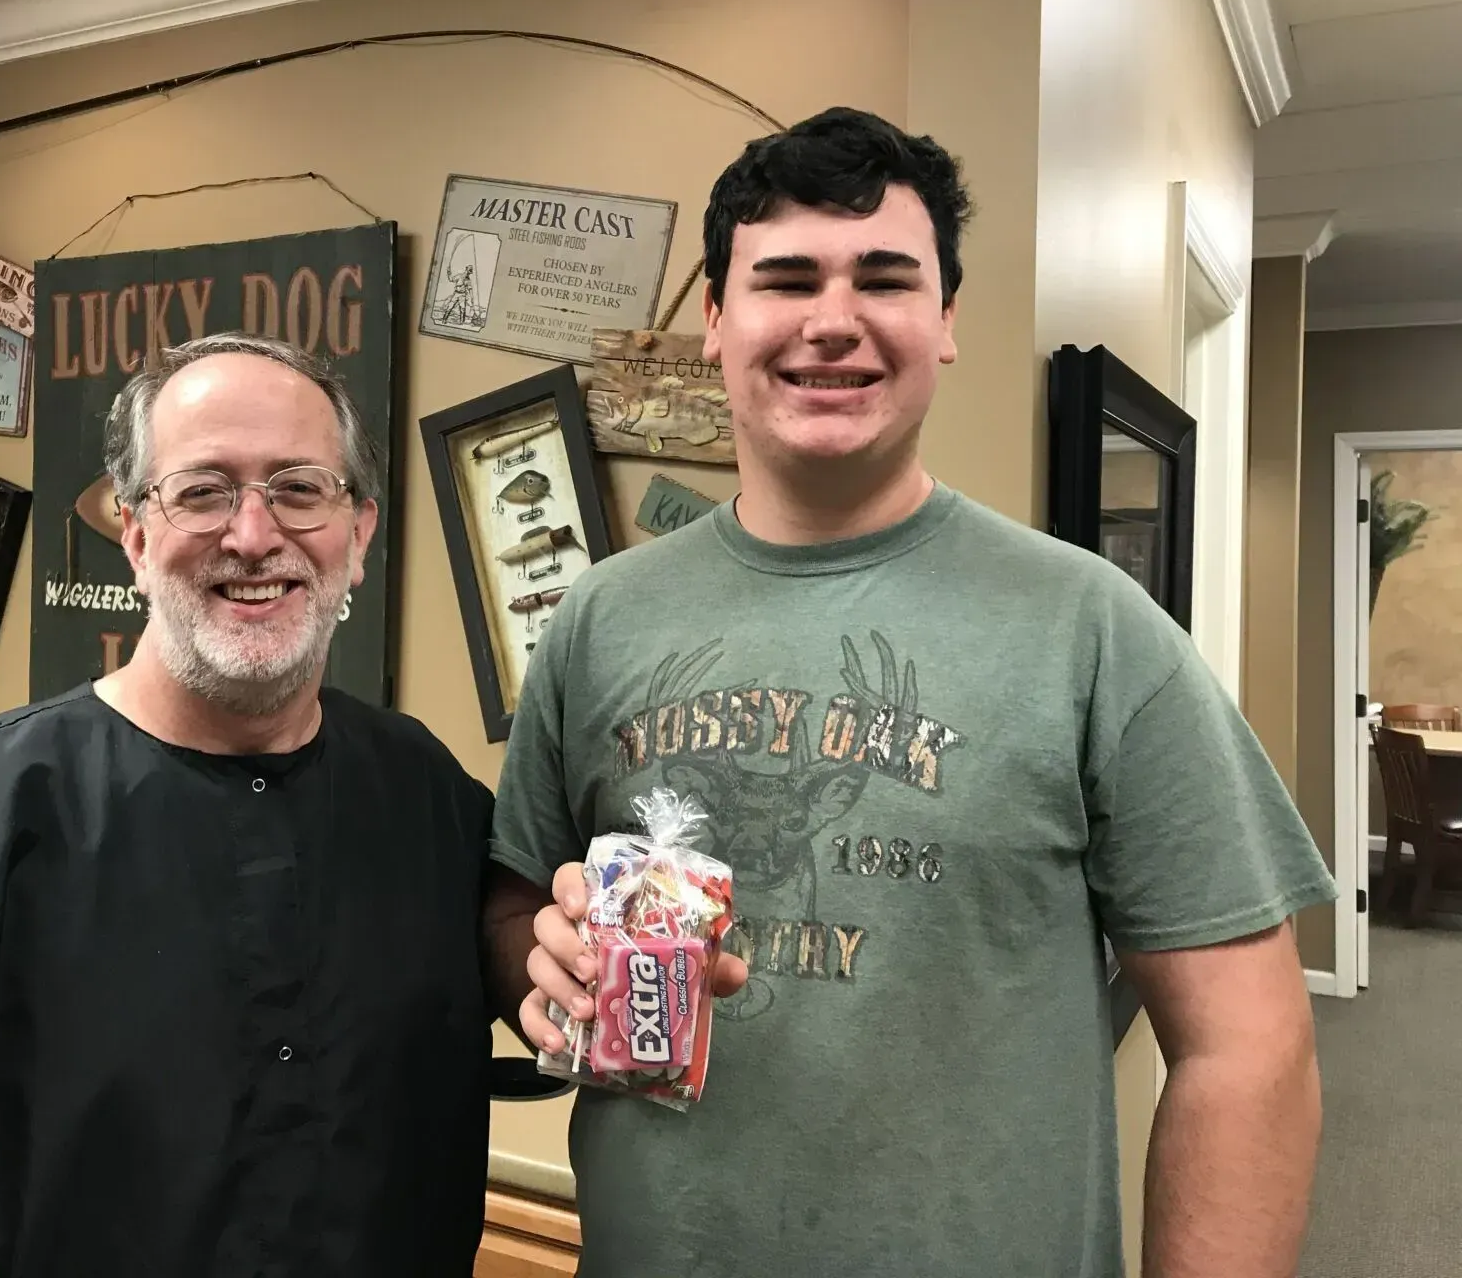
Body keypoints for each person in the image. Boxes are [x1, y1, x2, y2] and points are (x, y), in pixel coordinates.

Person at [483, 108, 1337, 1278]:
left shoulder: (1090, 628)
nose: (833, 320)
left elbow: (1251, 1049)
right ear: (717, 324)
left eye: (885, 279)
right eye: (785, 279)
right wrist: (543, 956)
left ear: (943, 324)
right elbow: (516, 895)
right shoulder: (595, 618)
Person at [0, 333, 497, 1277]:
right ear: (134, 536)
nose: (253, 534)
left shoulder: (428, 803)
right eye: (202, 491)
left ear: (358, 535)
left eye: (299, 487)